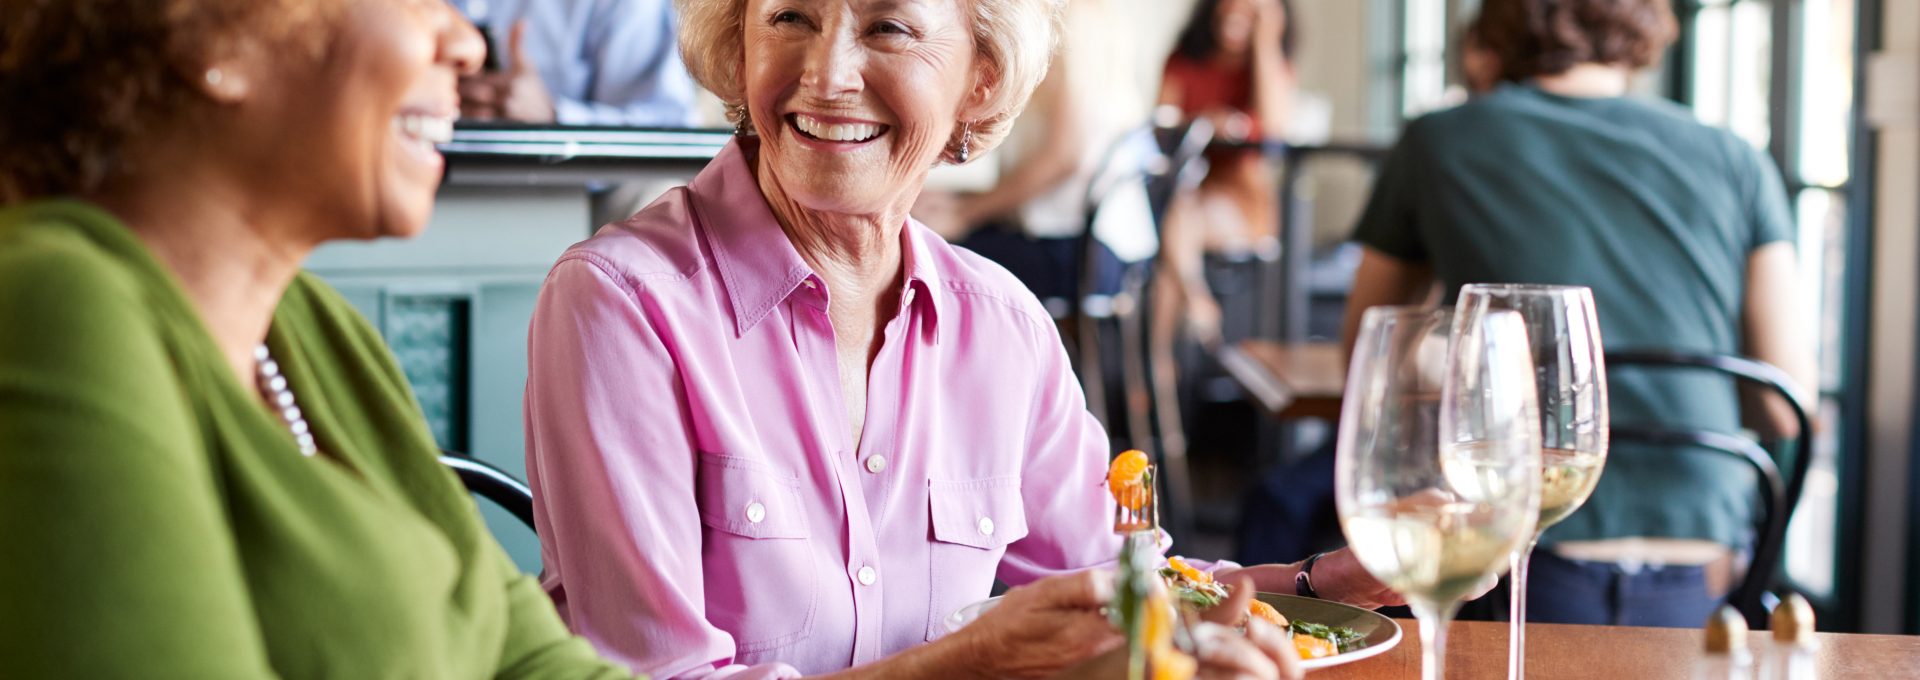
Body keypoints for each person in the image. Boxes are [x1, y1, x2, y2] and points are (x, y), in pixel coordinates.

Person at [522, 0, 1402, 677]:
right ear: (739, 39)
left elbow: (1124, 585)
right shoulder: (623, 307)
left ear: (978, 78)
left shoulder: (1002, 326)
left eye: (890, 27)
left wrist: (1319, 584)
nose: (826, 74)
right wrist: (968, 665)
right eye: (789, 15)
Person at [0, 0, 642, 676]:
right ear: (213, 34)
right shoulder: (54, 311)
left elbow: (527, 657)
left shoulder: (310, 323)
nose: (465, 42)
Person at [1343, 0, 1818, 627]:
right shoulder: (1735, 157)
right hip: (1700, 545)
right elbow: (1786, 402)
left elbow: (1369, 352)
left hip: (1515, 545)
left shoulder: (1438, 139)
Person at [910, 0, 1156, 306]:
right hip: (1099, 247)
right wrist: (956, 202)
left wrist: (965, 213)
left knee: (924, 250)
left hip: (1080, 254)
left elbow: (1067, 155)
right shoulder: (1091, 14)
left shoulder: (1071, 19)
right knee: (923, 219)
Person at [1153, 0, 1298, 343]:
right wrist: (1203, 124)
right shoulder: (1184, 59)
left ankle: (1158, 382)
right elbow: (1160, 127)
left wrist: (1265, 43)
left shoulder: (1273, 66)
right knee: (1174, 241)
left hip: (1244, 201)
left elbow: (1276, 127)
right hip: (1188, 194)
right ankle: (1195, 305)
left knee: (1171, 252)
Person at [452, 0, 699, 126]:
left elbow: (665, 124)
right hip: (440, 170)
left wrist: (552, 117)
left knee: (650, 195)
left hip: (580, 192)